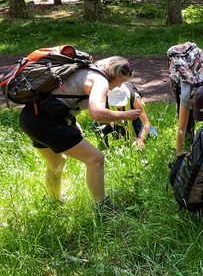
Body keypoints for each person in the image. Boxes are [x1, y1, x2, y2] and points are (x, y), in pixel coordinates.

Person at [18, 56, 140, 210]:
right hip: (46, 122)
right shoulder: (100, 81)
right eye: (122, 81)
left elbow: (61, 96)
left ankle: (55, 201)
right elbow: (97, 113)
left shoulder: (84, 70)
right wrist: (125, 115)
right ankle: (104, 209)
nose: (119, 86)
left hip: (30, 118)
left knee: (57, 162)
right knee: (96, 159)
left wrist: (72, 122)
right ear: (116, 75)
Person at [93, 83, 157, 149]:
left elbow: (146, 123)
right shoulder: (104, 100)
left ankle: (132, 134)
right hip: (115, 121)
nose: (119, 106)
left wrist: (141, 139)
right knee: (95, 124)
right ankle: (104, 146)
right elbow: (97, 117)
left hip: (134, 119)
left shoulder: (134, 99)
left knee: (152, 135)